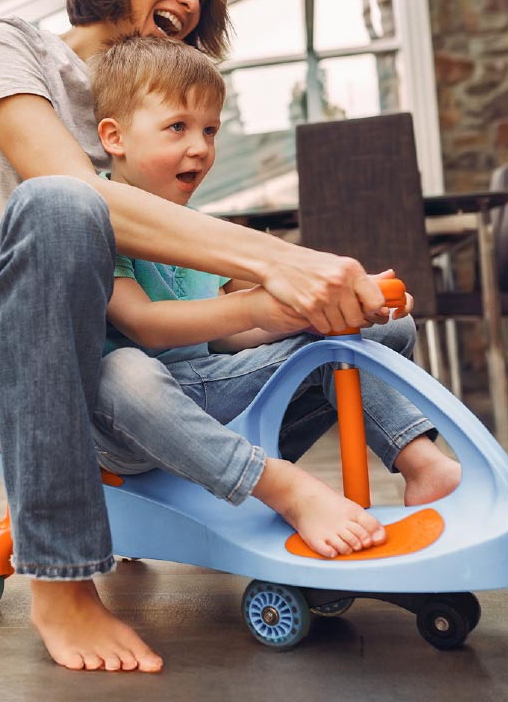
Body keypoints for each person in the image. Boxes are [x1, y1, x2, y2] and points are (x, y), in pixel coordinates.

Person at [0, 0, 508, 674]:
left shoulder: (161, 98)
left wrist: (313, 298)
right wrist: (278, 269)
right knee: (63, 209)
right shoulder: (10, 48)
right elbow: (80, 194)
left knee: (362, 335)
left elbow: (217, 315)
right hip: (16, 370)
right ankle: (61, 582)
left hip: (146, 386)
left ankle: (430, 467)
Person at [87, 34, 465, 559]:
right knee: (121, 369)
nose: (200, 147)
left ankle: (423, 465)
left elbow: (228, 339)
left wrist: (317, 312)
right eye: (178, 127)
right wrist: (257, 306)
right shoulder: (96, 219)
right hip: (132, 419)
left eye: (210, 130)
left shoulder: (196, 229)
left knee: (382, 331)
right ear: (115, 137)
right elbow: (143, 323)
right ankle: (284, 490)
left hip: (211, 390)